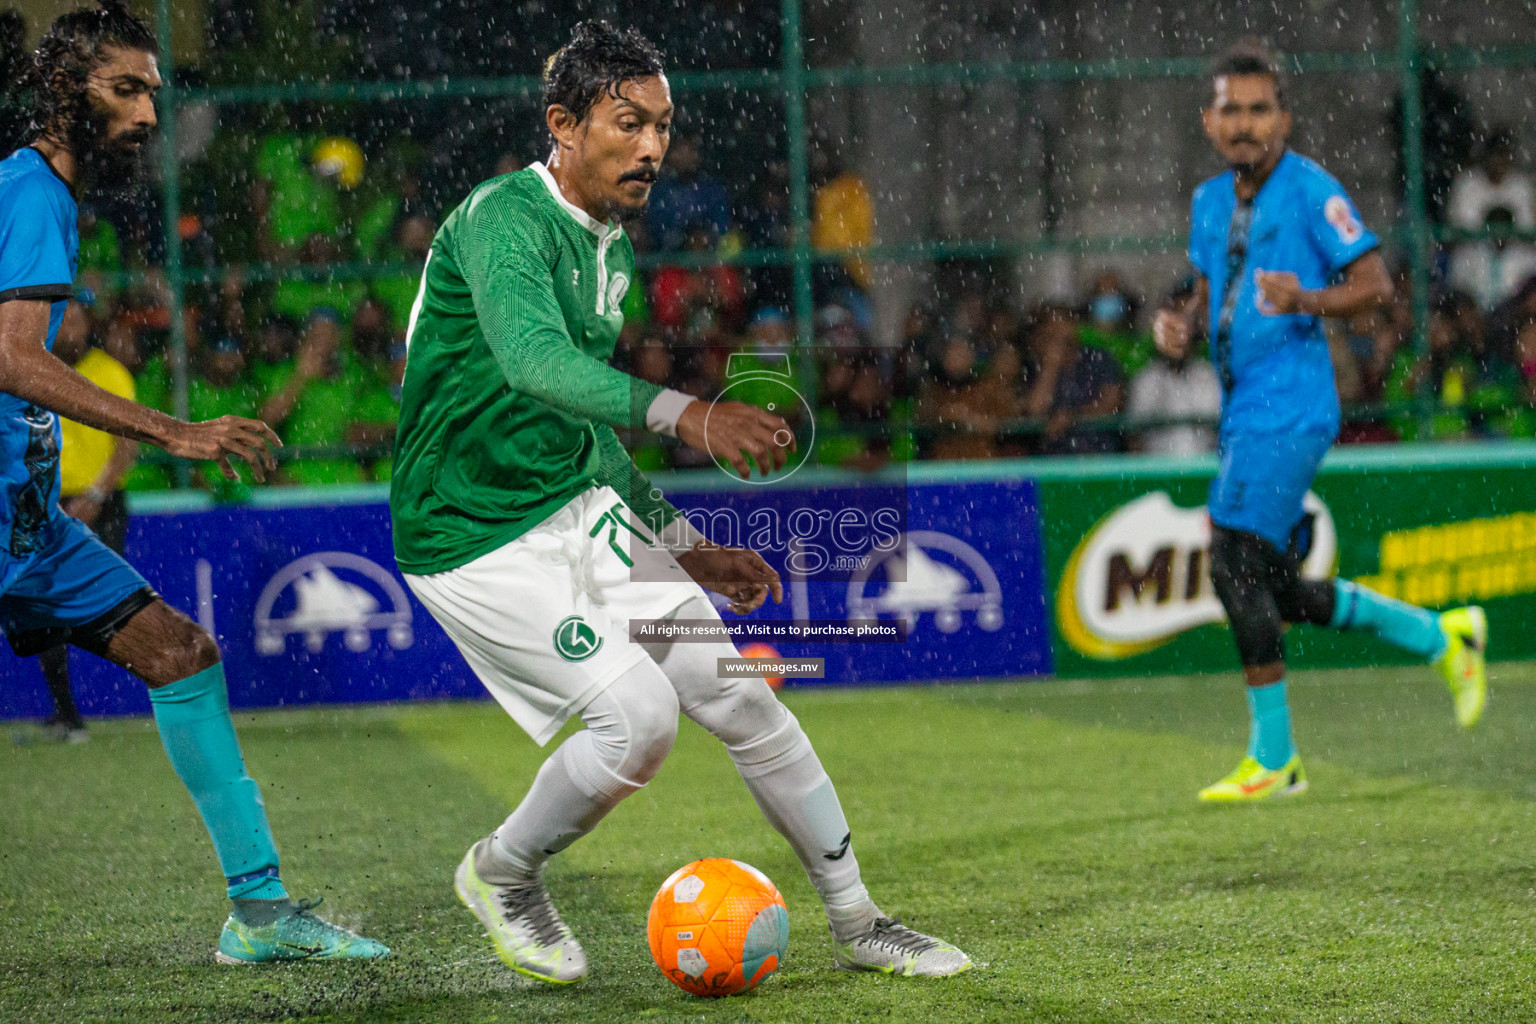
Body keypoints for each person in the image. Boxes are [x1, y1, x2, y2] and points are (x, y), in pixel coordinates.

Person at [390, 21, 970, 985]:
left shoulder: (611, 248)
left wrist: (686, 544)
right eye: (629, 123)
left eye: (663, 125)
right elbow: (538, 369)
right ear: (563, 125)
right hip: (471, 534)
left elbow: (581, 434)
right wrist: (694, 416)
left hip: (574, 505)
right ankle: (503, 872)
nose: (654, 146)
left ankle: (861, 920)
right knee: (640, 721)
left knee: (740, 690)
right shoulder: (502, 218)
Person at [0, 1, 387, 962]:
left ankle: (259, 916)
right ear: (63, 90)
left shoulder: (47, 194)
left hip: (29, 523)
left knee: (182, 655)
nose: (144, 114)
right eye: (124, 89)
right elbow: (12, 358)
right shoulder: (29, 191)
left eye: (152, 93)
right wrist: (177, 429)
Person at [1154, 39, 1487, 803]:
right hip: (1245, 411)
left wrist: (1306, 300)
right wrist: (1171, 327)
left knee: (1232, 561)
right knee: (1272, 584)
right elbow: (1203, 297)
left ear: (1284, 117)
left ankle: (1276, 758)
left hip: (1293, 405)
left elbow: (1373, 285)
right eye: (1231, 110)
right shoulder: (1209, 202)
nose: (1245, 124)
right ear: (1209, 122)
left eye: (1259, 109)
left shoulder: (1311, 191)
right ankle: (1443, 636)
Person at [34, 298, 136, 741]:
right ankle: (66, 713)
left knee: (108, 604)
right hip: (48, 503)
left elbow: (127, 441)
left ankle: (169, 694)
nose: (69, 327)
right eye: (63, 318)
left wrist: (97, 492)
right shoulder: (31, 370)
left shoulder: (109, 372)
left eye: (77, 318)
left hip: (102, 502)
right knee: (46, 608)